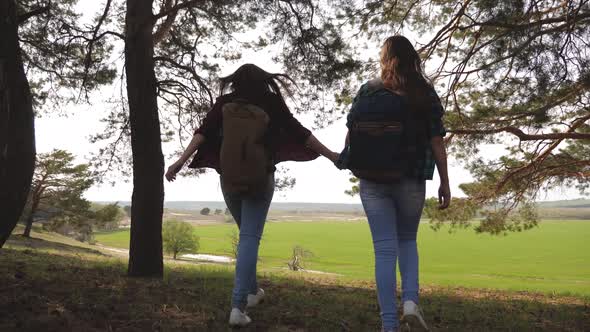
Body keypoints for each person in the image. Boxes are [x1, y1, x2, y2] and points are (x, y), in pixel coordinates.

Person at [165, 63, 339, 327]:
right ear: (263, 81)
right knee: (249, 237)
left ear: (235, 81)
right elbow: (300, 133)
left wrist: (180, 161)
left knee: (246, 234)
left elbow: (202, 133)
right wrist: (332, 156)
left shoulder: (225, 102)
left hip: (229, 177)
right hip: (261, 177)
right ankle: (238, 306)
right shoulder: (270, 102)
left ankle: (252, 292)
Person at [338, 35, 450, 332]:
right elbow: (436, 140)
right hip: (410, 178)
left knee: (384, 250)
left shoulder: (367, 91)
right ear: (413, 58)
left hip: (372, 179)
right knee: (407, 241)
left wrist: (350, 160)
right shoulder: (423, 93)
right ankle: (411, 302)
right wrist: (445, 182)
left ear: (384, 59)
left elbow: (351, 135)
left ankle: (389, 324)